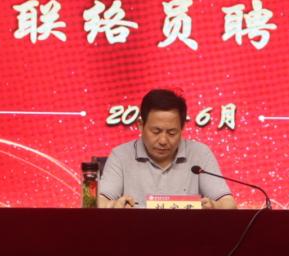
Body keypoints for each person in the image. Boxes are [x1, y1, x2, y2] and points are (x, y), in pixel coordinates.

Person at [98, 89, 237, 209]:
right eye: (156, 131)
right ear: (140, 125)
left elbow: (229, 203)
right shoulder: (120, 156)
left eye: (171, 133)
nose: (163, 141)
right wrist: (114, 206)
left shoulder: (200, 154)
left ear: (182, 128)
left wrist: (215, 206)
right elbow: (100, 202)